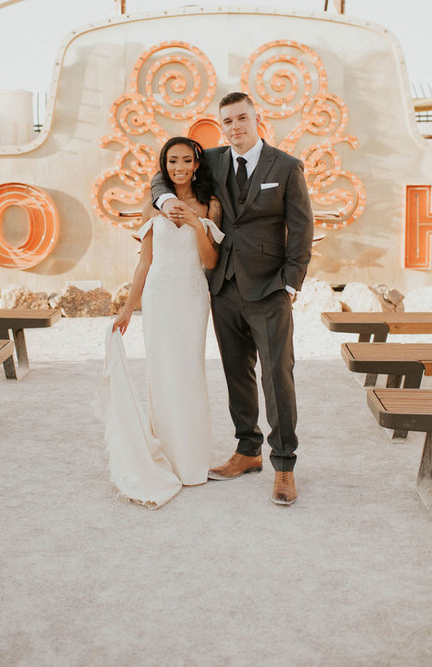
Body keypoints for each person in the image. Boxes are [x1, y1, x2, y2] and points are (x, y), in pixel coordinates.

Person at [151, 93, 314, 505]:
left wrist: (290, 284)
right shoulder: (215, 160)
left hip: (269, 289)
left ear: (257, 118)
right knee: (236, 373)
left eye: (242, 118)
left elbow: (302, 229)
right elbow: (164, 174)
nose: (235, 126)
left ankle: (284, 466)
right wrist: (167, 200)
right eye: (227, 121)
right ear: (221, 126)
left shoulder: (287, 166)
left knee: (277, 376)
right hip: (223, 287)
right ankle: (247, 451)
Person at [111, 136, 223, 497]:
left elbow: (211, 262)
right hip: (158, 297)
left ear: (196, 164)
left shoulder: (210, 205)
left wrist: (195, 221)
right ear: (165, 165)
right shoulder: (151, 206)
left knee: (189, 374)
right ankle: (167, 458)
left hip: (192, 296)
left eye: (186, 161)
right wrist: (128, 308)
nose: (179, 167)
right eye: (172, 161)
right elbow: (144, 263)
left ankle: (192, 462)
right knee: (160, 376)